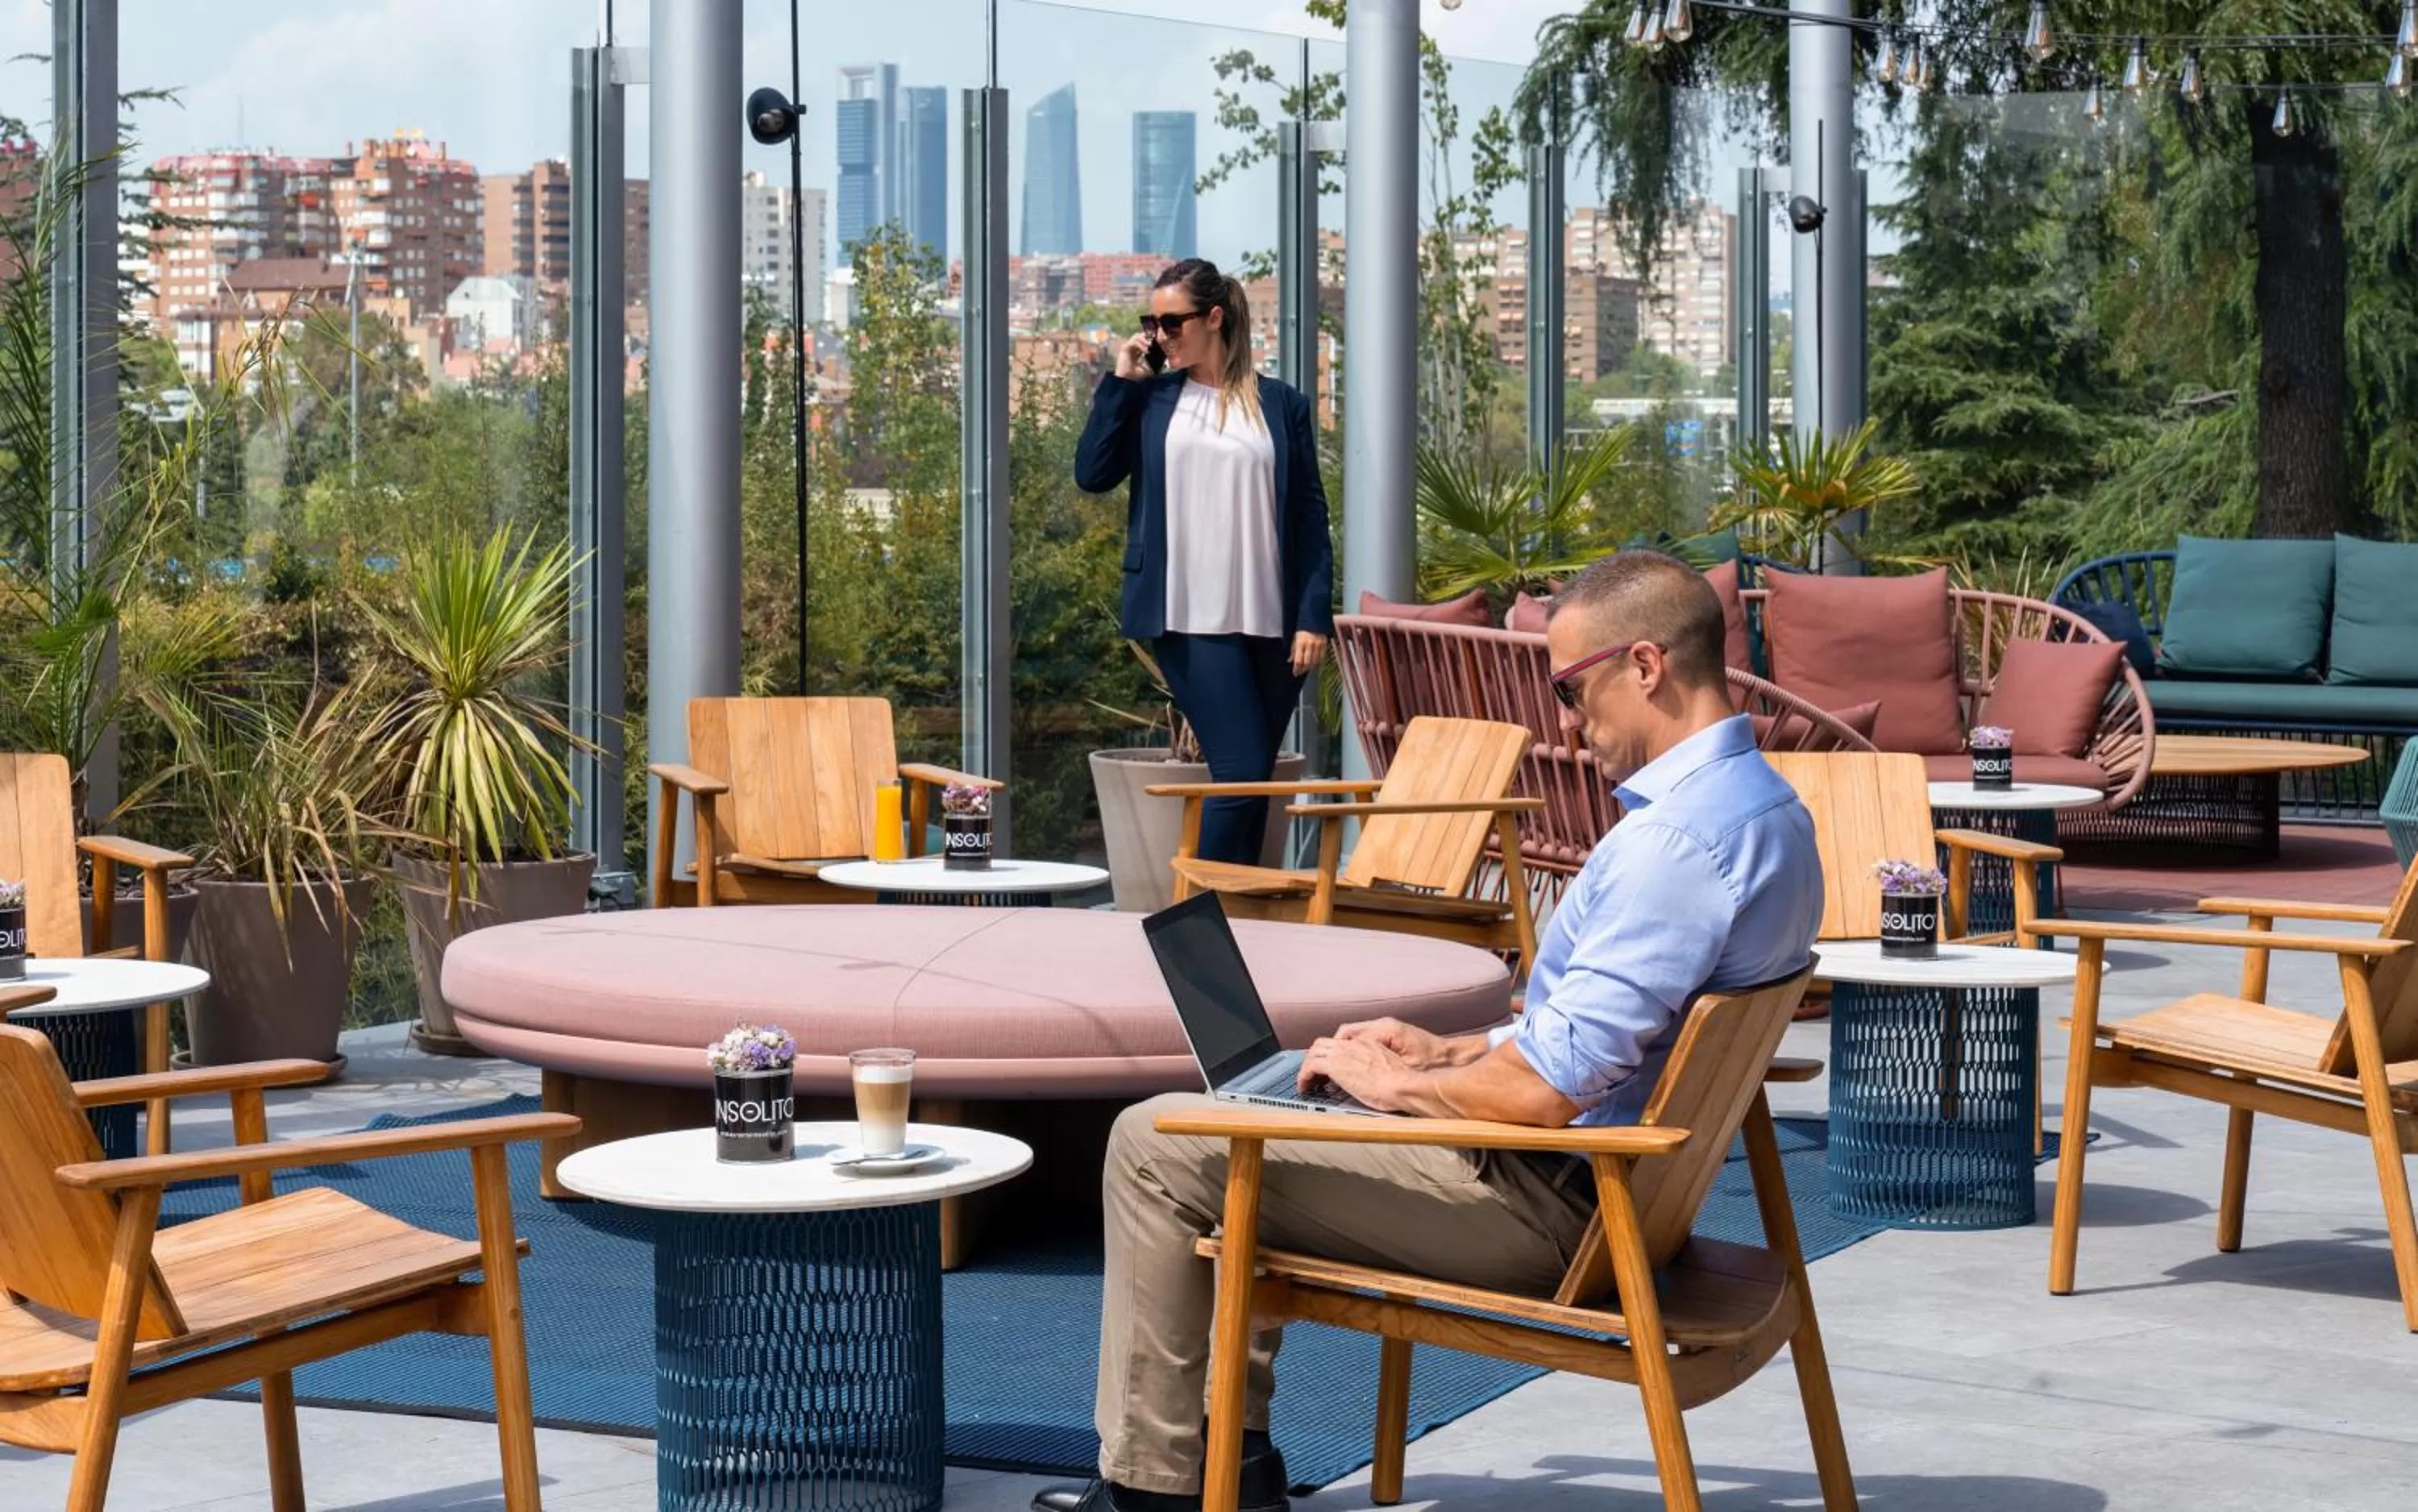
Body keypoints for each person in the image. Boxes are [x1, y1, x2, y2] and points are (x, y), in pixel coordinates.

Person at [1034, 550, 1826, 1512]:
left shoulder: (1672, 847)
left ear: (1647, 666)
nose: (1568, 721)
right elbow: (1597, 1041)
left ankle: (1154, 1490)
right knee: (1256, 1111)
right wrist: (1446, 1051)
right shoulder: (1768, 814)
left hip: (1553, 1207)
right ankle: (1228, 1468)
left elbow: (1545, 1096)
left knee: (1157, 1142)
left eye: (1574, 689)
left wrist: (1397, 1089)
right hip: (1619, 1195)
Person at [1074, 258, 1335, 866]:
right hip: (1185, 613)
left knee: (1249, 790)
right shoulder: (1152, 399)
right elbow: (1092, 475)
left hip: (1272, 624)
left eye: (1171, 323)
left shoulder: (1282, 406)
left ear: (1214, 318)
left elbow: (1308, 517)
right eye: (1151, 323)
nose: (1158, 335)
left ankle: (1241, 939)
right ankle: (1191, 924)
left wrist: (1313, 615)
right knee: (1242, 770)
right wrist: (1121, 380)